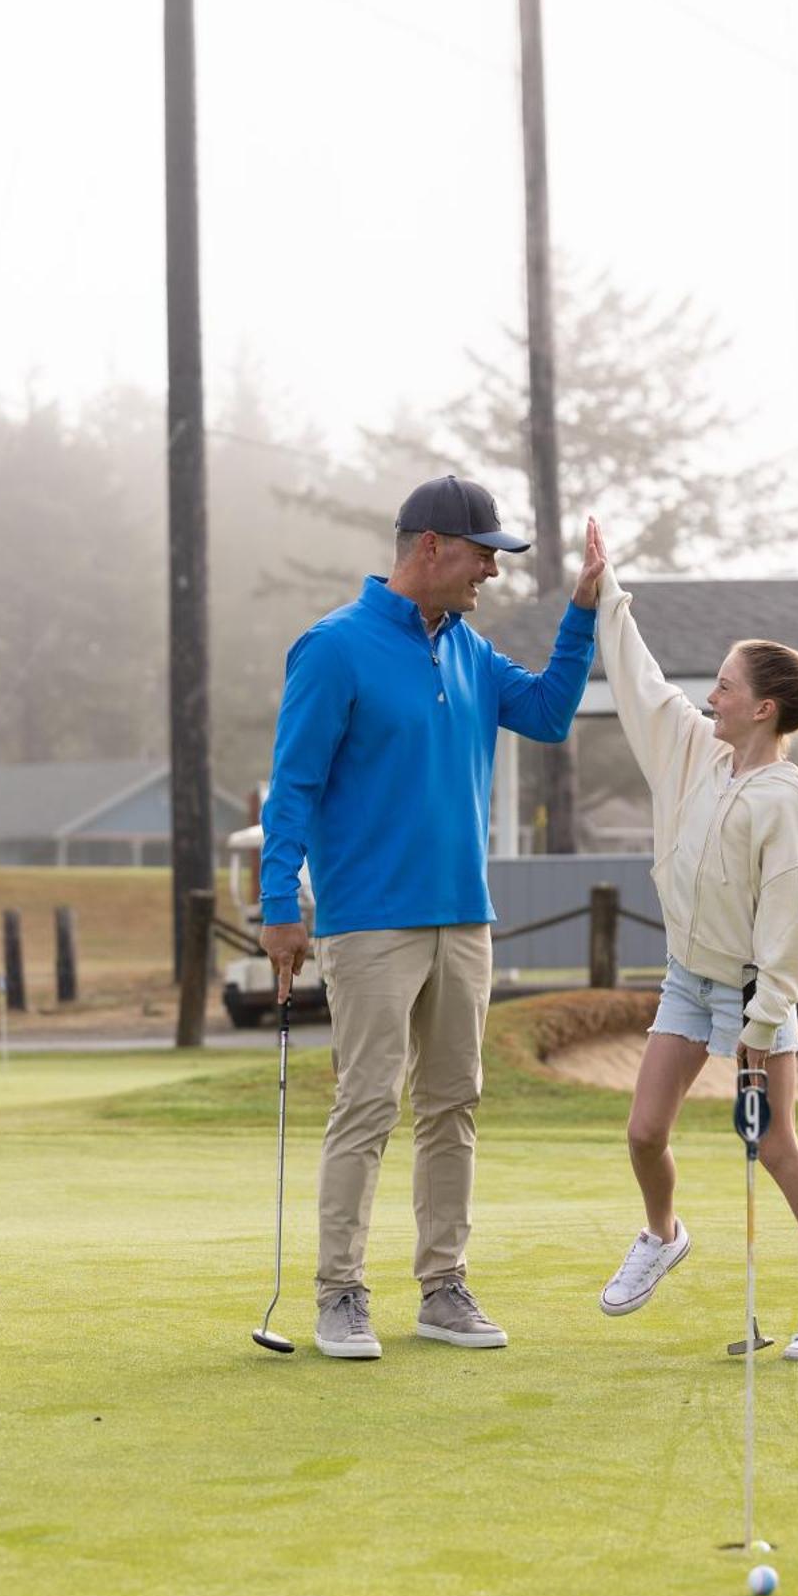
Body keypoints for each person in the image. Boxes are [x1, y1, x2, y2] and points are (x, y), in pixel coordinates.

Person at [260, 478, 606, 1360]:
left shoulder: (471, 651)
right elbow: (293, 787)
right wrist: (278, 905)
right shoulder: (332, 648)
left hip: (463, 916)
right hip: (369, 922)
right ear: (428, 549)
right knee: (368, 1103)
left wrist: (580, 617)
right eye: (481, 552)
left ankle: (441, 1287)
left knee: (453, 1104)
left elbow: (548, 715)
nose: (490, 569)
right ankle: (338, 1294)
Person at [592, 525, 798, 1360]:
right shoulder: (695, 754)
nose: (711, 696)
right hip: (684, 980)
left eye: (725, 686)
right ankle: (662, 1234)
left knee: (773, 1146)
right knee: (641, 1133)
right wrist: (609, 590)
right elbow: (642, 684)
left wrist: (760, 1024)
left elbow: (783, 932)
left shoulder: (780, 801)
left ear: (763, 708)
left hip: (748, 998)